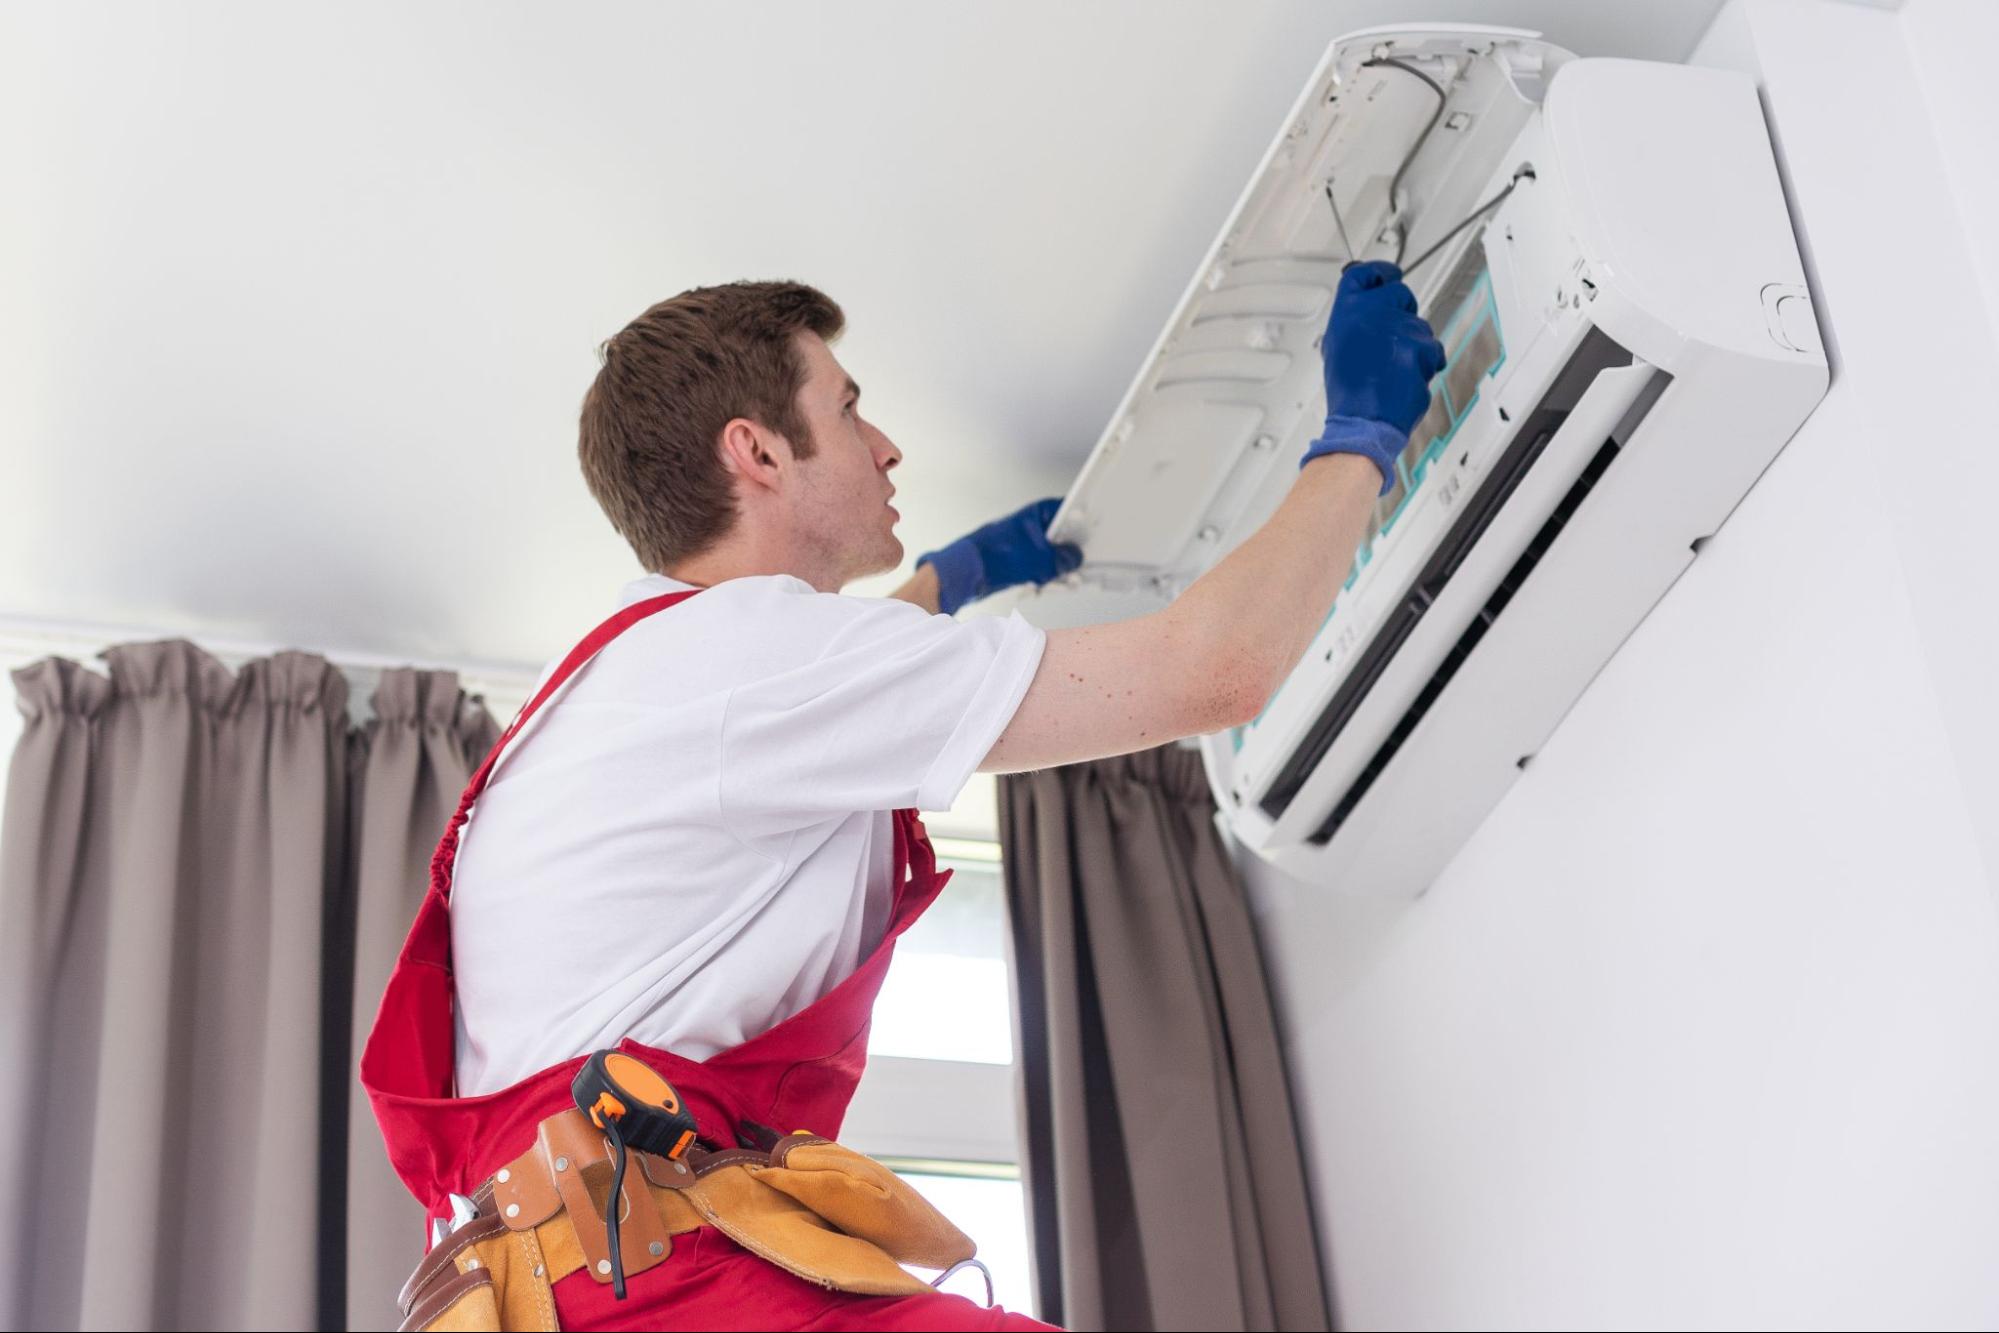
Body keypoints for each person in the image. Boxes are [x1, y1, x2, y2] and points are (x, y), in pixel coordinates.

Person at [363, 262, 1445, 1331]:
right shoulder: (755, 658)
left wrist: (946, 584)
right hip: (657, 1285)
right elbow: (1217, 670)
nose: (885, 447)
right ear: (756, 451)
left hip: (555, 1281)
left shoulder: (615, 687)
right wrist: (1359, 437)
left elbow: (799, 716)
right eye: (847, 409)